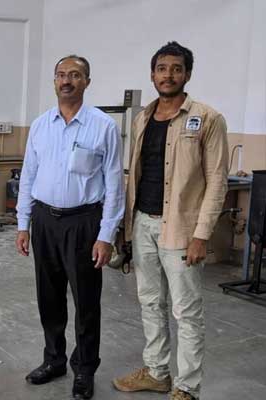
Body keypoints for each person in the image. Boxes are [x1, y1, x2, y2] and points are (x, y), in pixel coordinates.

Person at [112, 41, 228, 400]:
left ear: (187, 74)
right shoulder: (143, 117)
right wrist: (126, 228)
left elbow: (217, 181)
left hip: (181, 230)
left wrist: (201, 235)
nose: (168, 75)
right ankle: (158, 372)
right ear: (152, 74)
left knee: (186, 311)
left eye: (176, 68)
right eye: (162, 68)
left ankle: (188, 387)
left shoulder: (207, 118)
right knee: (150, 303)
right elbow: (136, 176)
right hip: (143, 224)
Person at [16, 55, 124, 399]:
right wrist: (23, 223)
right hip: (45, 221)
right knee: (48, 298)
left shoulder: (102, 126)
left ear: (87, 82)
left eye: (75, 75)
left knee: (86, 302)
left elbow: (114, 185)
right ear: (54, 81)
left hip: (83, 223)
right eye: (61, 75)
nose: (67, 81)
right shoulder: (40, 125)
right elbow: (28, 176)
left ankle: (84, 369)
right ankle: (54, 360)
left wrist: (106, 235)